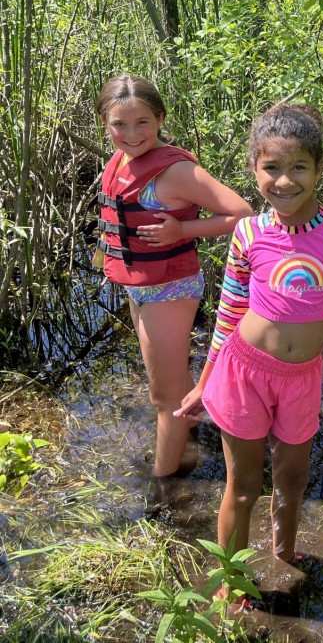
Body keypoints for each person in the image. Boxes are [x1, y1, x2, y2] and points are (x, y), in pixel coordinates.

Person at [174, 103, 323, 564]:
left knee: (293, 481)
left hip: (302, 378)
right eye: (272, 168)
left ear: (319, 170)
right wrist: (204, 382)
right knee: (242, 490)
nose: (284, 181)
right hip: (244, 372)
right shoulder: (248, 232)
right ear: (254, 169)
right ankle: (231, 581)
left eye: (299, 167)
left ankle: (284, 557)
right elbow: (228, 314)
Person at [94, 75, 253, 481]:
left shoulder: (176, 171)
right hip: (140, 283)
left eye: (142, 122)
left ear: (160, 118)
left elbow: (242, 213)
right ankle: (192, 435)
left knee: (163, 396)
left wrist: (181, 231)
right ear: (104, 123)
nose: (131, 134)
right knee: (175, 382)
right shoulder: (122, 160)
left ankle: (163, 485)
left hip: (169, 288)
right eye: (119, 125)